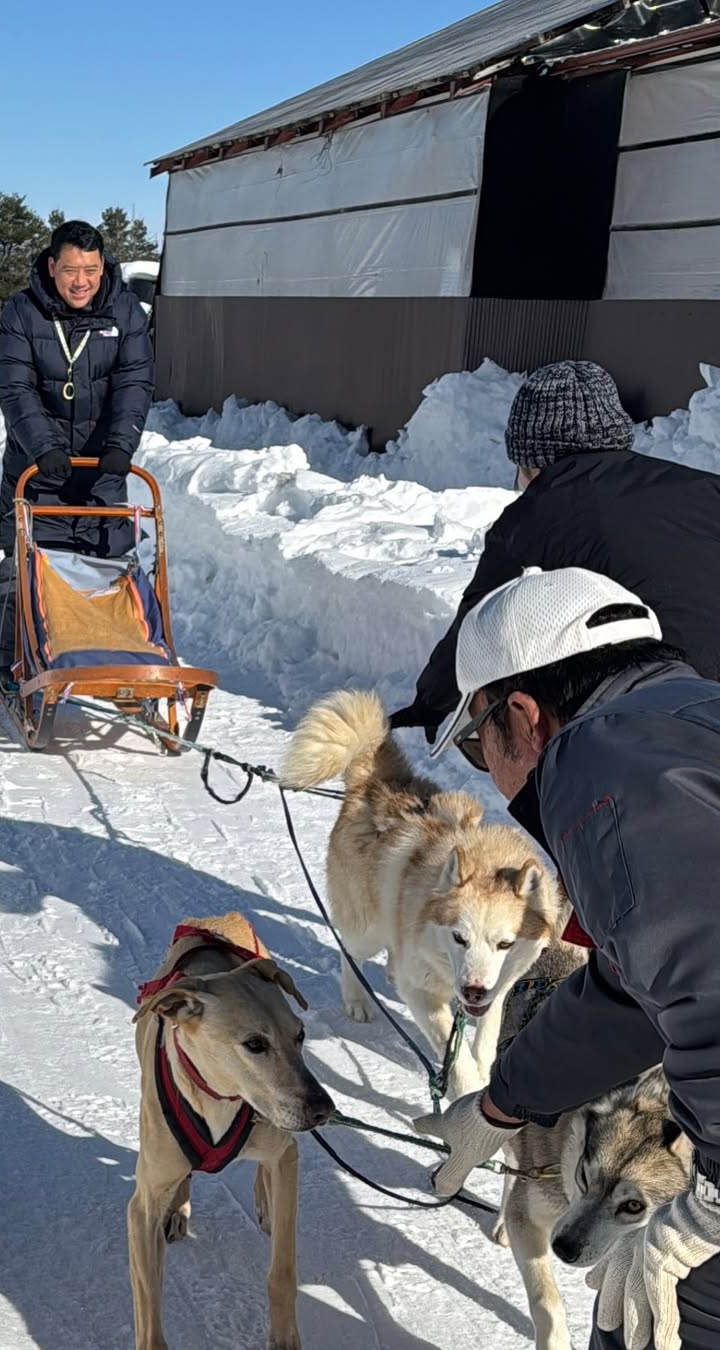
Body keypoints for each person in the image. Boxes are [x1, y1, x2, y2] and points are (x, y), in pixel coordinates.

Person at [412, 565, 720, 1350]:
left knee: (648, 1320)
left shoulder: (601, 775)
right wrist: (500, 1105)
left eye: (482, 751)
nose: (495, 780)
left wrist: (707, 1204)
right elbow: (631, 992)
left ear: (522, 715)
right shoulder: (689, 719)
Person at [389, 360, 720, 742]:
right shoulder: (705, 488)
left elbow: (476, 627)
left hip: (667, 712)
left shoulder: (531, 518)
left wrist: (431, 703)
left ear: (530, 460)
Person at [0, 219, 154, 689]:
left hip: (103, 468)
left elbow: (135, 381)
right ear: (51, 266)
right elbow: (14, 388)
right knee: (24, 568)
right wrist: (45, 447)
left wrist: (122, 443)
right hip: (37, 470)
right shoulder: (22, 312)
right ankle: (7, 664)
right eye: (71, 270)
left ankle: (113, 658)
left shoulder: (125, 312)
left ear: (103, 268)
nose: (81, 282)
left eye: (92, 270)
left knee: (107, 569)